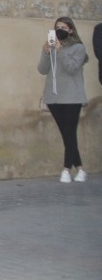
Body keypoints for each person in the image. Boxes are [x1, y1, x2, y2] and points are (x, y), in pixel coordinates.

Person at [38, 16, 89, 183]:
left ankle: (66, 170)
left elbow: (72, 68)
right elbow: (42, 69)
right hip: (53, 97)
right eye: (57, 27)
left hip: (71, 97)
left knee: (69, 134)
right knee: (67, 134)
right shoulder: (52, 47)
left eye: (64, 27)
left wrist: (60, 51)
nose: (60, 30)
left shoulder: (78, 48)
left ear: (71, 30)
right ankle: (80, 169)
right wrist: (46, 52)